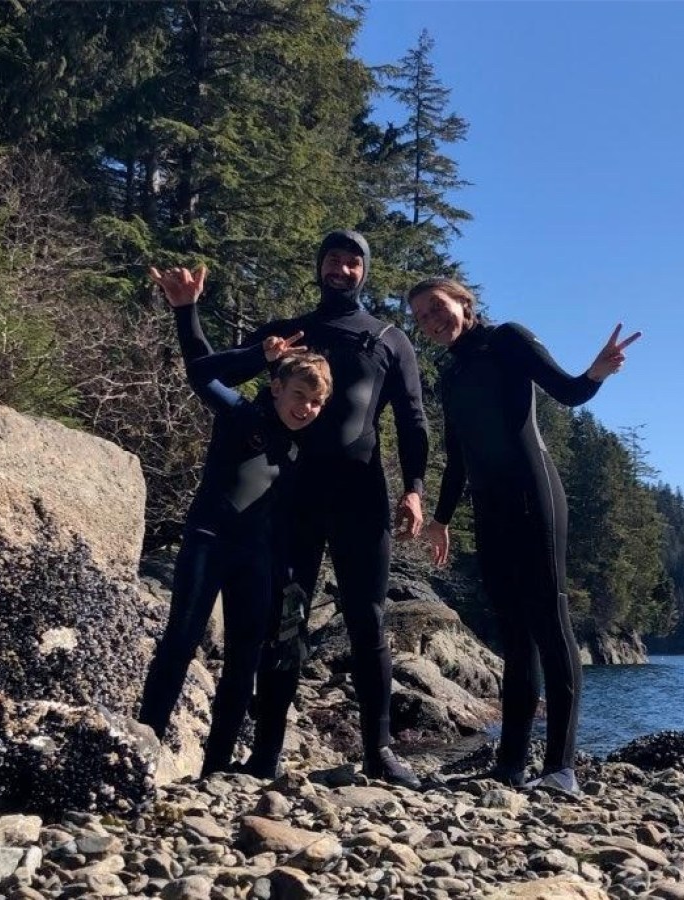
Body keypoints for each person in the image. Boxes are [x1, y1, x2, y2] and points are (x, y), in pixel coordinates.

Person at [407, 276, 641, 795]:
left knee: (550, 626)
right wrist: (442, 519)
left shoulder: (507, 338)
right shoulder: (451, 372)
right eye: (421, 316)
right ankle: (510, 764)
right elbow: (459, 456)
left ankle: (561, 768)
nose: (431, 320)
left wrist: (597, 373)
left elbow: (567, 391)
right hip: (491, 510)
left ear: (463, 302)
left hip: (534, 497)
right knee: (513, 635)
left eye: (436, 307)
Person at [217, 230, 429, 787]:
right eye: (333, 260)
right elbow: (216, 372)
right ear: (320, 267)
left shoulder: (388, 338)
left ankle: (378, 753)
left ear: (366, 272)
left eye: (353, 262)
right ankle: (265, 753)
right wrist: (188, 313)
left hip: (362, 496)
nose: (341, 269)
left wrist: (414, 487)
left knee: (369, 620)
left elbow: (412, 419)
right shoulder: (290, 334)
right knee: (284, 620)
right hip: (292, 496)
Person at [138, 264, 333, 778]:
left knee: (244, 660)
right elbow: (201, 374)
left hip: (258, 558)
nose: (307, 408)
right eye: (299, 396)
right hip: (208, 540)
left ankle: (216, 768)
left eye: (316, 402)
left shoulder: (305, 446)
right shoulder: (241, 414)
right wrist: (190, 313)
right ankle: (142, 749)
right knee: (180, 642)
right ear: (276, 389)